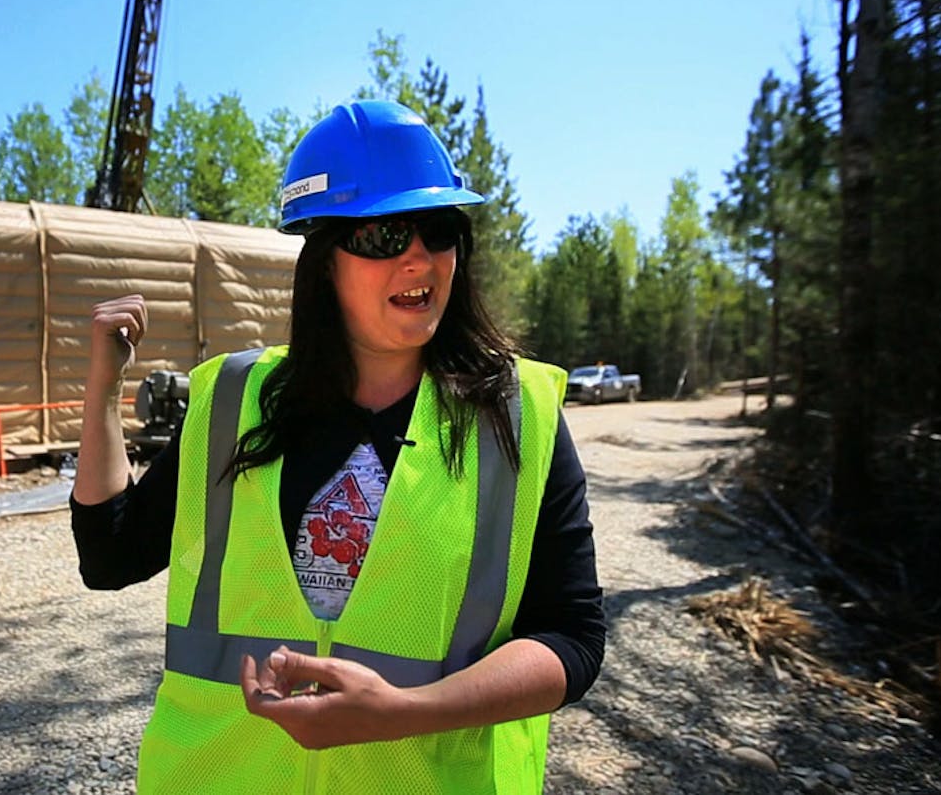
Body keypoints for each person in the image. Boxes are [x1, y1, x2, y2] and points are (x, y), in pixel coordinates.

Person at [70, 99, 605, 794]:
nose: (418, 255)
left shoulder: (515, 415)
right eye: (384, 234)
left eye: (438, 229)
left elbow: (572, 637)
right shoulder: (236, 401)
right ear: (325, 262)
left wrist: (403, 713)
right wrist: (102, 393)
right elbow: (109, 556)